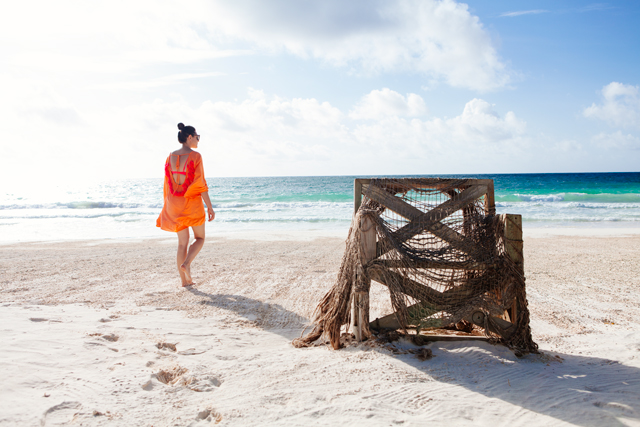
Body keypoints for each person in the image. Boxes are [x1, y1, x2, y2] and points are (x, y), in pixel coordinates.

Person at [156, 123, 215, 287]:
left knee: (182, 243)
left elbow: (167, 184)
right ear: (189, 137)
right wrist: (209, 206)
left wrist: (167, 206)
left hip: (174, 203)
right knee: (200, 238)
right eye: (197, 137)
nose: (198, 140)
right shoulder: (196, 156)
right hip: (191, 204)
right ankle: (187, 263)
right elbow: (200, 184)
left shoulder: (170, 156)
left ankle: (184, 281)